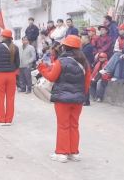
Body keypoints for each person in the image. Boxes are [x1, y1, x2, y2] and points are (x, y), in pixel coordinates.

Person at [36, 35, 91, 163]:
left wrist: (42, 68)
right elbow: (87, 82)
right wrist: (81, 95)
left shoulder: (61, 61)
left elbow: (51, 77)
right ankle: (73, 152)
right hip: (78, 99)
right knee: (74, 125)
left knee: (63, 125)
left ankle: (61, 153)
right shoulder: (85, 62)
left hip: (62, 100)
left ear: (65, 47)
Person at [0, 29, 21, 125]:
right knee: (10, 98)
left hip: (0, 75)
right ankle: (8, 120)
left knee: (0, 97)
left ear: (3, 37)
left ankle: (1, 120)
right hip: (11, 75)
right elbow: (17, 64)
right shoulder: (15, 47)